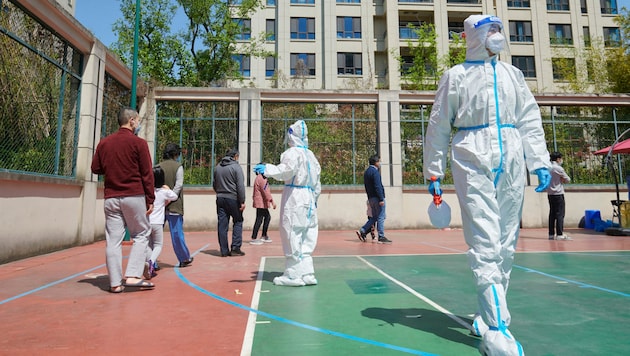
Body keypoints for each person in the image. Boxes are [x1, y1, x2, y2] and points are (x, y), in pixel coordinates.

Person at [422, 15, 551, 355]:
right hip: (471, 156)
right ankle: (497, 329)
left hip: (510, 155)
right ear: (473, 37)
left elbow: (529, 117)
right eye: (489, 30)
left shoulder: (513, 74)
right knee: (485, 242)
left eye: (498, 29)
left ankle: (486, 312)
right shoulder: (456, 76)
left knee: (507, 243)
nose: (497, 35)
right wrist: (433, 172)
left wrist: (538, 161)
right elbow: (438, 126)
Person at [91, 107, 156, 293]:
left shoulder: (104, 143)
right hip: (133, 195)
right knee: (142, 234)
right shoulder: (139, 144)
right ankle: (134, 276)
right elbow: (147, 173)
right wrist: (150, 198)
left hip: (111, 197)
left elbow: (95, 168)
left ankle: (115, 283)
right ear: (132, 121)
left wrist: (113, 168)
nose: (138, 123)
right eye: (137, 120)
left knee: (113, 240)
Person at [254, 120, 321, 286]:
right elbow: (317, 182)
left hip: (295, 197)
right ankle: (307, 273)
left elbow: (285, 171)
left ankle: (292, 275)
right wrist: (315, 200)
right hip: (310, 198)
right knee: (307, 234)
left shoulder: (293, 153)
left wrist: (267, 169)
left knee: (292, 232)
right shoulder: (311, 155)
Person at [158, 143, 194, 268]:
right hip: (174, 205)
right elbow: (178, 185)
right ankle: (184, 258)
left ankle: (150, 261)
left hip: (159, 206)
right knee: (177, 234)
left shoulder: (157, 166)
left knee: (155, 235)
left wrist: (163, 198)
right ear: (175, 154)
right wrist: (171, 197)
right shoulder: (178, 167)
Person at [145, 166, 178, 278]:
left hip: (147, 221)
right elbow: (174, 196)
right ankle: (151, 262)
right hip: (158, 222)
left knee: (148, 244)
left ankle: (150, 263)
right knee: (158, 244)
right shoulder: (164, 192)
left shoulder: (148, 191)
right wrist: (167, 188)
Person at [213, 148, 246, 257]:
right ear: (235, 156)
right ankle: (235, 248)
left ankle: (224, 250)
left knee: (222, 224)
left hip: (220, 198)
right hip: (233, 198)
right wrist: (242, 201)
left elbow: (214, 183)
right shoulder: (236, 167)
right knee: (238, 220)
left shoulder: (217, 167)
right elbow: (240, 186)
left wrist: (219, 192)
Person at [356, 155, 391, 244]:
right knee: (380, 217)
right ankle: (381, 236)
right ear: (376, 162)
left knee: (374, 217)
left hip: (371, 197)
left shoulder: (367, 172)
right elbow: (377, 186)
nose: (380, 163)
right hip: (377, 198)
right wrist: (381, 199)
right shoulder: (375, 172)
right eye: (379, 161)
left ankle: (363, 230)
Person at [547, 152, 571, 240]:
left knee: (552, 214)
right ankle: (560, 234)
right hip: (558, 193)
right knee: (560, 214)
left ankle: (551, 234)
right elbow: (568, 179)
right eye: (560, 158)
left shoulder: (548, 168)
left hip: (550, 193)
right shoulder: (558, 168)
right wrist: (562, 179)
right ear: (558, 159)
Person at [250, 169, 277, 245]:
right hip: (260, 203)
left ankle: (263, 235)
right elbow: (266, 192)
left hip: (260, 202)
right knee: (261, 219)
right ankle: (255, 237)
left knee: (264, 218)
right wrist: (272, 201)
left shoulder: (259, 178)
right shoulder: (262, 179)